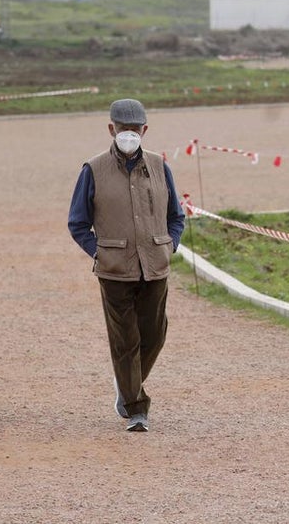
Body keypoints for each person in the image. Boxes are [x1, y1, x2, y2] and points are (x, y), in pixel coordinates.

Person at [68, 99, 186, 433]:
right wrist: (100, 253)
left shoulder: (160, 167)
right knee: (125, 341)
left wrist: (169, 245)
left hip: (156, 266)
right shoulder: (92, 170)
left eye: (135, 130)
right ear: (111, 129)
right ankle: (136, 408)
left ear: (144, 131)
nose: (129, 135)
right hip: (114, 271)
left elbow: (176, 217)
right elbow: (77, 223)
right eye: (123, 129)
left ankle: (126, 385)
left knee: (155, 335)